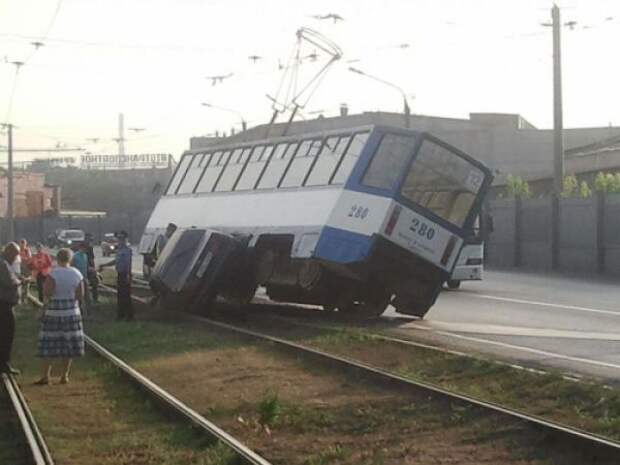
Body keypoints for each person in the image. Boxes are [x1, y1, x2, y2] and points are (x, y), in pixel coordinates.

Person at [35, 248, 85, 385]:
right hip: (72, 312)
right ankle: (64, 375)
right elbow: (80, 295)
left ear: (57, 259)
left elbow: (47, 293)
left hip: (54, 313)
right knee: (68, 346)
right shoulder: (77, 274)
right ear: (70, 259)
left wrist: (42, 310)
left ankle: (46, 376)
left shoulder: (53, 274)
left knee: (49, 345)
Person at [100, 231, 133, 321]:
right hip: (119, 274)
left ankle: (129, 316)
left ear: (125, 240)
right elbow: (115, 261)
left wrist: (128, 275)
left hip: (125, 274)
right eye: (119, 239)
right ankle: (121, 315)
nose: (120, 241)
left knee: (126, 296)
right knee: (120, 295)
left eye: (122, 239)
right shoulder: (119, 250)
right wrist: (104, 265)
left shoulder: (127, 250)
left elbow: (128, 264)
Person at [0, 243, 23, 375]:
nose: (16, 258)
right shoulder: (2, 264)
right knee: (6, 334)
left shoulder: (4, 263)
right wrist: (21, 281)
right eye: (15, 255)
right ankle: (4, 364)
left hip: (4, 304)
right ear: (9, 253)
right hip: (3, 305)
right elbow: (9, 282)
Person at [71, 243, 90, 316]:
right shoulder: (75, 256)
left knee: (87, 295)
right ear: (81, 248)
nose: (85, 250)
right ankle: (78, 310)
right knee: (79, 295)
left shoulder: (85, 256)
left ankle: (87, 311)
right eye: (84, 248)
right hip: (77, 279)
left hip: (84, 277)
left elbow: (86, 266)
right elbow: (72, 266)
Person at [84, 233, 99, 303]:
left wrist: (94, 268)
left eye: (90, 240)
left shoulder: (90, 248)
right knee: (85, 284)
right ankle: (86, 299)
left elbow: (92, 259)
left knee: (95, 283)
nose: (90, 241)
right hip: (84, 268)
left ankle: (95, 299)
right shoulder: (82, 248)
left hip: (90, 268)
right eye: (88, 239)